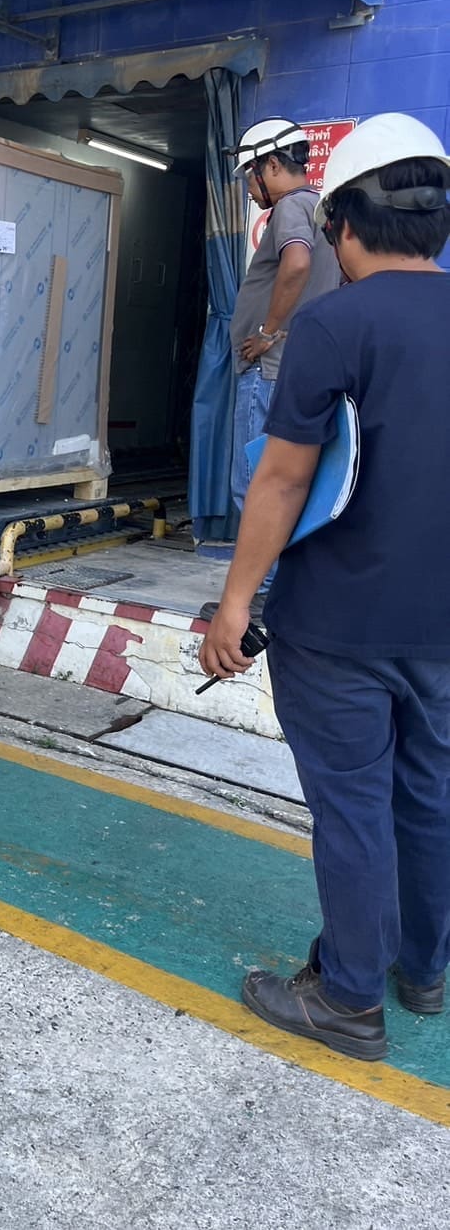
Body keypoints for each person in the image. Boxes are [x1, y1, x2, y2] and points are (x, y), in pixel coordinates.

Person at [199, 113, 450, 1062]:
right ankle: (422, 967)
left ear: (342, 223)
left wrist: (234, 604)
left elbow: (281, 480)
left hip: (338, 628)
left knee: (352, 807)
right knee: (429, 793)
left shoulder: (333, 324)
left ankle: (348, 996)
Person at [219, 119, 341, 610]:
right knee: (288, 484)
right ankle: (284, 586)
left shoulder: (291, 206)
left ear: (272, 164)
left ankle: (262, 591)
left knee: (253, 486)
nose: (250, 189)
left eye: (250, 175)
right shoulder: (323, 212)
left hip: (268, 370)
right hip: (296, 368)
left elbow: (296, 264)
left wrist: (267, 332)